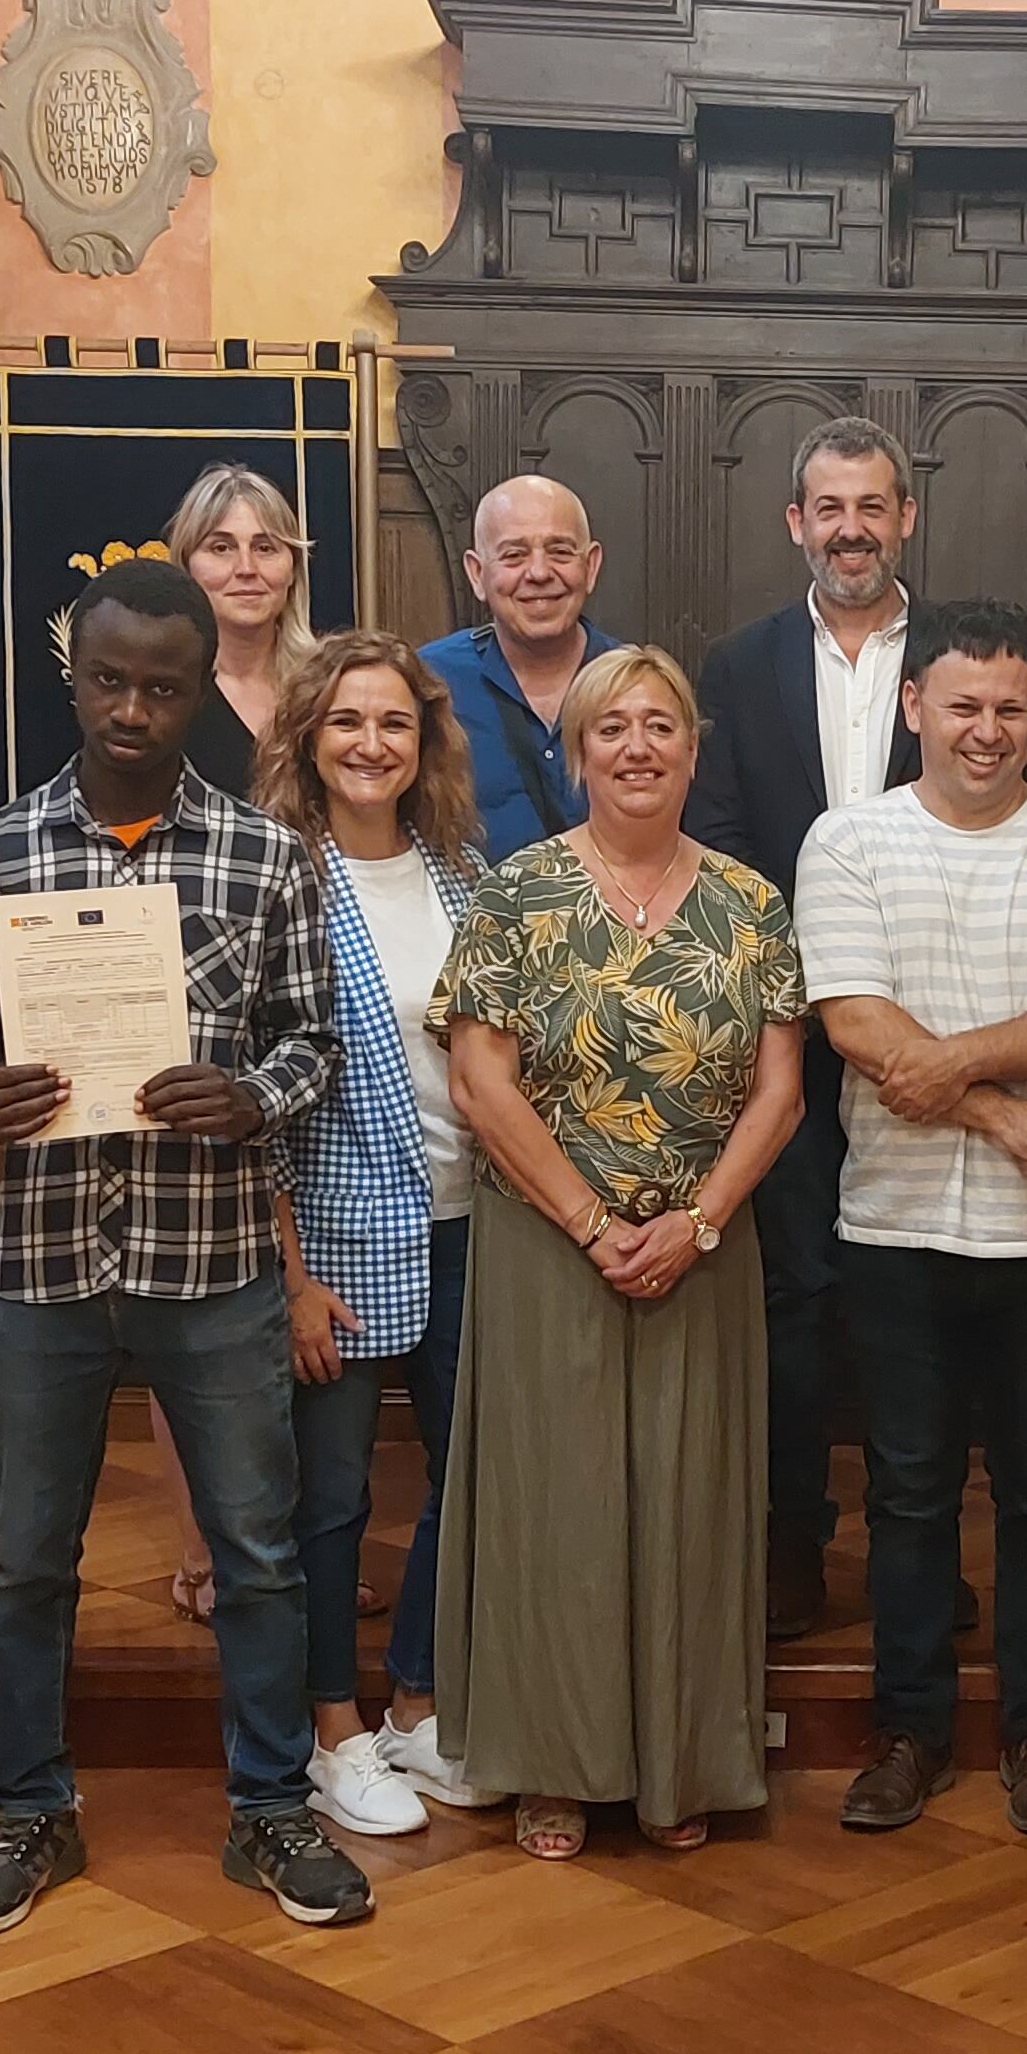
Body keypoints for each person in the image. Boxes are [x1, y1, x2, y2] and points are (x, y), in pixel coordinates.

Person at [0, 558, 364, 1928]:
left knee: (257, 1550)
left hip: (213, 1259)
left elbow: (318, 1042)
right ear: (75, 677)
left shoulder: (264, 855)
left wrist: (254, 1095)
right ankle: (28, 1810)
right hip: (48, 1265)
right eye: (111, 681)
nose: (134, 709)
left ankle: (272, 1811)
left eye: (165, 688)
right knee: (25, 1563)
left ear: (200, 696)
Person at [438, 645, 807, 1856]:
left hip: (703, 1248)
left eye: (661, 727)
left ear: (694, 751)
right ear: (576, 751)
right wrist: (595, 1224)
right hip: (550, 1246)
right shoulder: (515, 894)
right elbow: (480, 1080)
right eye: (612, 729)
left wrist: (695, 1224)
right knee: (560, 1507)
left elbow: (781, 1095)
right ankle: (556, 1761)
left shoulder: (752, 904)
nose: (637, 747)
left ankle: (682, 1758)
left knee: (692, 1503)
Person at [797, 602, 1027, 1836]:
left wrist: (946, 1071)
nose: (985, 731)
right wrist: (1000, 1111)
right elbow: (850, 1018)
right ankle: (910, 1732)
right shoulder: (846, 842)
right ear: (914, 710)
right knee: (907, 1494)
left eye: (1008, 709)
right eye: (962, 706)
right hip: (895, 1225)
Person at [685, 416, 921, 1637]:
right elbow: (716, 839)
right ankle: (790, 1546)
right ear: (795, 524)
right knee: (791, 1297)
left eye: (872, 505)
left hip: (932, 1043)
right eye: (829, 508)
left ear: (905, 518)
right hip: (781, 1037)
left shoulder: (956, 656)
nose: (851, 529)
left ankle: (909, 1553)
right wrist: (809, 980)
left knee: (909, 1297)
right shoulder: (736, 665)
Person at [261, 633, 486, 1824]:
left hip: (470, 1220)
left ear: (424, 741)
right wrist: (289, 1274)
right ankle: (329, 1724)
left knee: (467, 1474)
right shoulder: (276, 877)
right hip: (337, 1234)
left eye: (393, 723)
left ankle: (414, 1701)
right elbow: (253, 1096)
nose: (370, 744)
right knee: (333, 1492)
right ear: (308, 736)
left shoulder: (461, 873)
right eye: (346, 721)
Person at [418, 473, 613, 861]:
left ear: (590, 567)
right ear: (477, 574)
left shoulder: (634, 686)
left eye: (559, 551)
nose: (539, 573)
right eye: (513, 555)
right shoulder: (427, 683)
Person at [170, 459, 312, 799]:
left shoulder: (327, 684)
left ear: (293, 570)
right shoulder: (164, 694)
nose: (246, 568)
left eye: (265, 548)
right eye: (221, 548)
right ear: (186, 565)